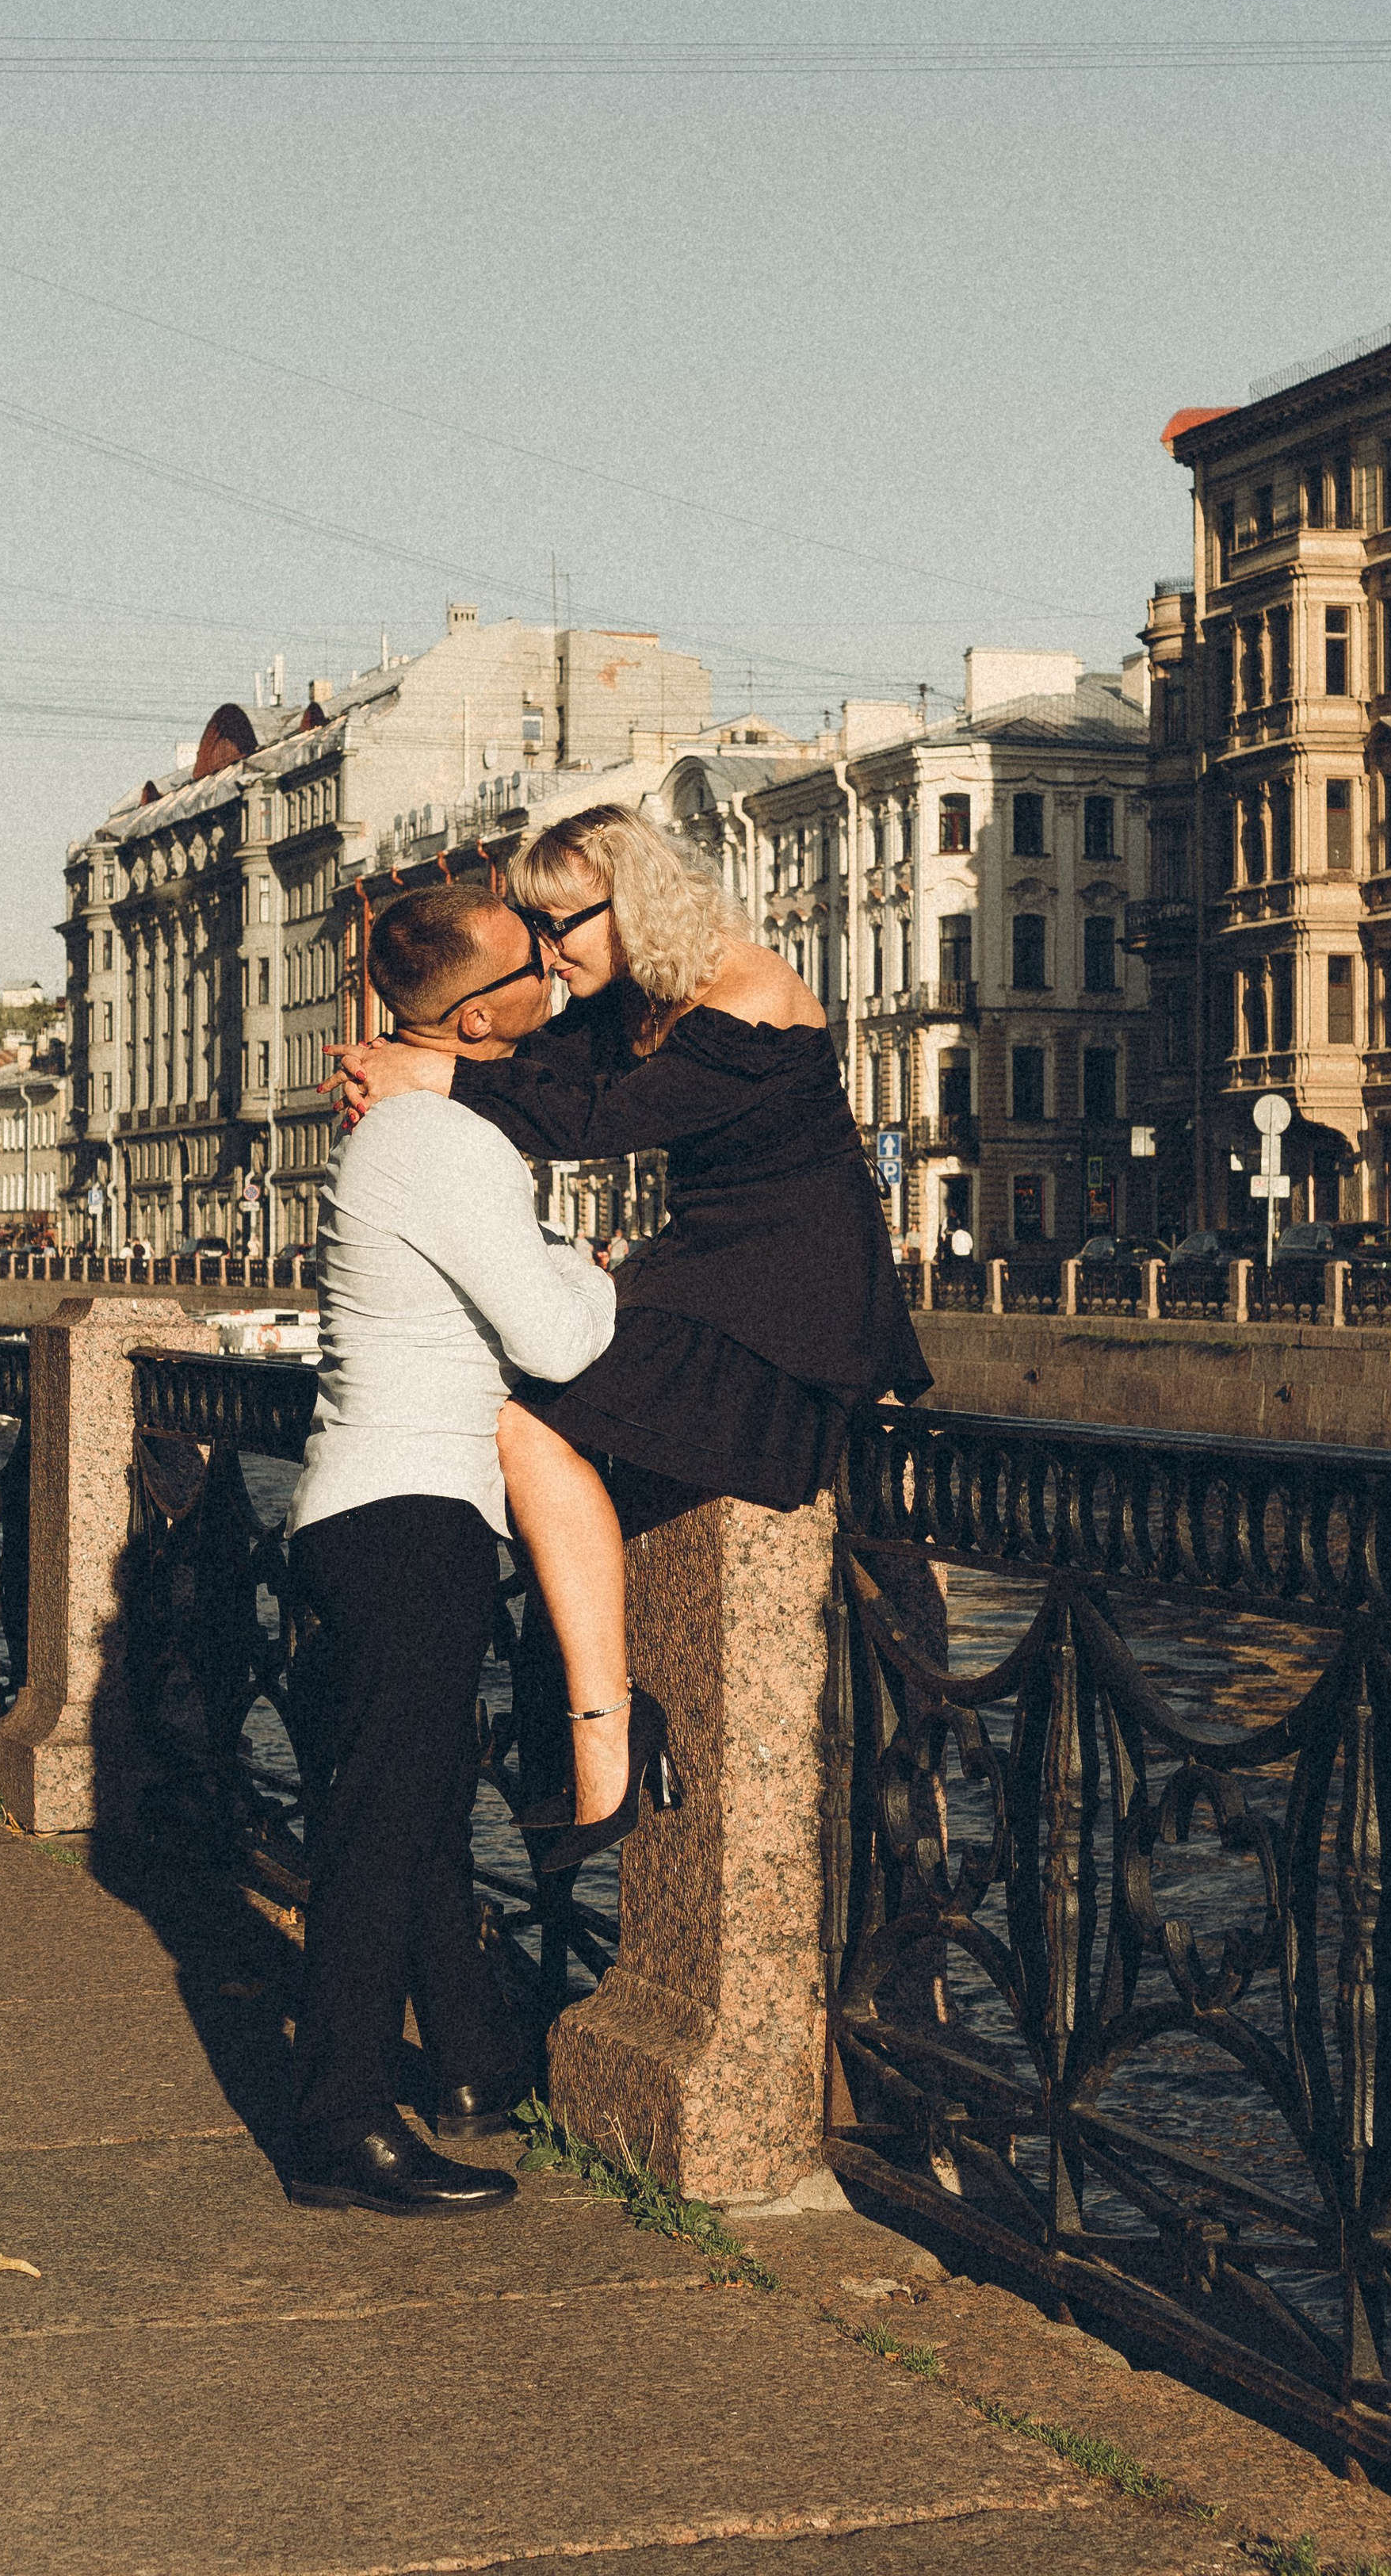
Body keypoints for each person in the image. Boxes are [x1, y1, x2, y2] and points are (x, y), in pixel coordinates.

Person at [335, 803, 930, 1876]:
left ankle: (602, 1730)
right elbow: (522, 1060)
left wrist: (436, 1079)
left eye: (561, 926)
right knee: (529, 1409)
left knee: (529, 1419)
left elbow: (588, 1125)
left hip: (796, 1301)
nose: (550, 955)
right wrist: (404, 1063)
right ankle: (593, 1717)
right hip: (706, 1274)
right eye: (534, 929)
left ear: (634, 902)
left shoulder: (752, 998)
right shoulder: (630, 996)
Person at [286, 881, 617, 2218]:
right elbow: (557, 1340)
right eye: (531, 964)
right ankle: (339, 2118)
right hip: (416, 1518)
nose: (553, 972)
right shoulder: (440, 1144)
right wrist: (595, 1266)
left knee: (416, 1818)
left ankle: (472, 2063)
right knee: (383, 1827)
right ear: (482, 1019)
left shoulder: (405, 1135)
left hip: (362, 1513)